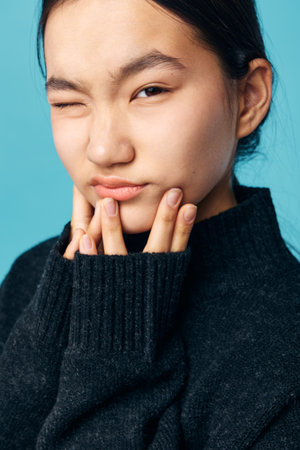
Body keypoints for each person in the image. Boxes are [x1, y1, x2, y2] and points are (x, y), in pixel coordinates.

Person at [0, 0, 299, 448]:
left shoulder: (285, 352)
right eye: (67, 101)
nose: (103, 150)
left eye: (150, 90)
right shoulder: (35, 281)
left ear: (249, 97)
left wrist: (112, 353)